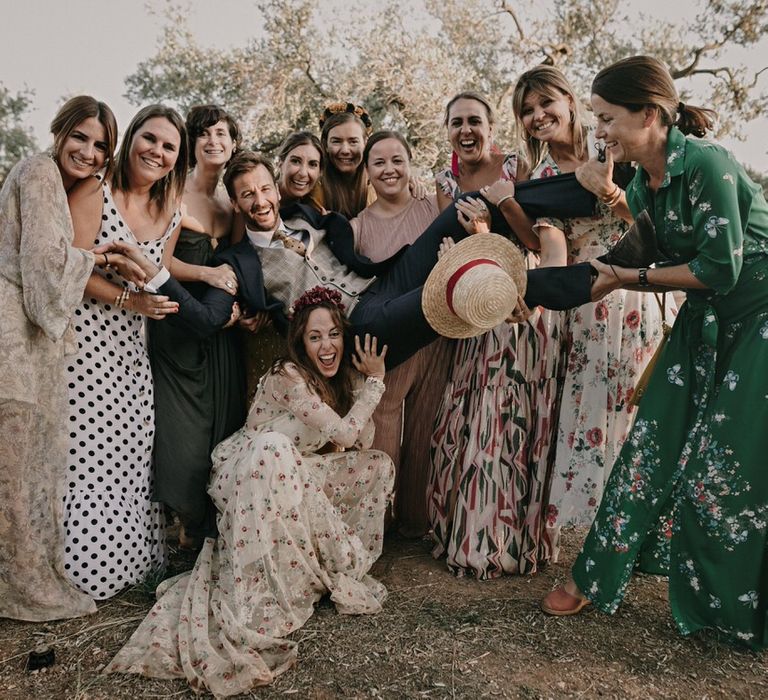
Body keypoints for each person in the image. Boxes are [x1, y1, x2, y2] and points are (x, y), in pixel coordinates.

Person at [541, 56, 768, 652]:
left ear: (650, 114)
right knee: (650, 438)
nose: (601, 131)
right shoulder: (646, 177)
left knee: (723, 465)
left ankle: (728, 600)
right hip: (706, 319)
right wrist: (601, 209)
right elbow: (648, 236)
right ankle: (595, 574)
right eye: (596, 118)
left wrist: (624, 275)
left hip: (757, 322)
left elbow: (720, 267)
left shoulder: (708, 164)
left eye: (608, 118)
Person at [105, 286, 395, 695]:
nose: (326, 345)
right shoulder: (287, 375)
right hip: (248, 470)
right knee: (274, 447)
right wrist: (378, 385)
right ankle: (261, 580)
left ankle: (322, 558)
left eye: (333, 334)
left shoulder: (341, 381)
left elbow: (360, 440)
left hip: (294, 474)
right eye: (315, 337)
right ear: (300, 341)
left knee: (377, 463)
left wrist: (362, 382)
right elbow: (345, 434)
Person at [115, 150, 597, 371]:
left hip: (381, 283)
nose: (260, 200)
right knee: (456, 293)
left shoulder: (310, 216)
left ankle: (587, 193)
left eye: (265, 189)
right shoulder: (240, 263)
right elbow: (203, 319)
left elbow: (356, 234)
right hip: (358, 326)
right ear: (237, 204)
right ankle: (589, 279)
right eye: (248, 195)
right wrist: (156, 271)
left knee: (463, 208)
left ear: (274, 189)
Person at [508, 65, 674, 536]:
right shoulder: (539, 177)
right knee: (599, 409)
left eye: (545, 104)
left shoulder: (611, 144)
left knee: (640, 405)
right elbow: (553, 250)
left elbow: (652, 218)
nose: (538, 116)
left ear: (568, 99)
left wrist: (607, 189)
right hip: (586, 301)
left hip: (638, 288)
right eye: (527, 111)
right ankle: (608, 529)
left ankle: (651, 526)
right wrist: (531, 292)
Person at [0, 96, 144, 620]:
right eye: (80, 137)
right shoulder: (38, 170)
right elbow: (45, 266)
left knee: (31, 464)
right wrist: (106, 258)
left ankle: (30, 575)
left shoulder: (62, 189)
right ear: (60, 131)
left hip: (33, 337)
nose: (88, 151)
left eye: (100, 144)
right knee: (14, 468)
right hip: (12, 335)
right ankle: (24, 588)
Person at [429, 89, 561, 579]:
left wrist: (493, 222)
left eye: (475, 121)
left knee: (510, 413)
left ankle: (509, 537)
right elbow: (451, 244)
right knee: (472, 411)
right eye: (456, 122)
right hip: (472, 305)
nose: (466, 130)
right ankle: (468, 528)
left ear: (490, 127)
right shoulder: (446, 181)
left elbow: (535, 238)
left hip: (520, 299)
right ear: (447, 129)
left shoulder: (517, 168)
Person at [63, 104, 188, 599]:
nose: (156, 152)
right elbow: (70, 264)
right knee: (87, 450)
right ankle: (82, 570)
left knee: (131, 448)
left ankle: (129, 564)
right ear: (131, 138)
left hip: (134, 347)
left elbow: (167, 262)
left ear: (177, 159)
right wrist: (126, 297)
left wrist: (206, 276)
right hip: (85, 339)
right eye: (150, 138)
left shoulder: (173, 210)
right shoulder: (96, 189)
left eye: (168, 146)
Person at [149, 105, 247, 549]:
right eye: (204, 134)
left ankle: (209, 529)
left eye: (221, 133)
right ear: (191, 143)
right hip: (176, 326)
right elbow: (160, 262)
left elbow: (242, 264)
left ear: (233, 142)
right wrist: (207, 275)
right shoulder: (174, 192)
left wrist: (240, 307)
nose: (213, 141)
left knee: (222, 425)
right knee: (184, 433)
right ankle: (183, 517)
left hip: (220, 333)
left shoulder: (233, 203)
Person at [351, 130, 452, 537]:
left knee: (428, 420)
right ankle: (378, 521)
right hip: (389, 344)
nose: (389, 169)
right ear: (368, 173)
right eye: (379, 163)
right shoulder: (358, 227)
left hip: (438, 331)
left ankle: (416, 518)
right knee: (384, 424)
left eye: (397, 160)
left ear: (410, 165)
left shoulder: (432, 207)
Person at [318, 103, 374, 218]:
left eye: (353, 141)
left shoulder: (379, 185)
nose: (345, 150)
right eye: (336, 141)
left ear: (365, 143)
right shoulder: (315, 189)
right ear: (325, 144)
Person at [277, 130, 325, 211]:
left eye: (312, 164)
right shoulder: (260, 198)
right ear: (280, 164)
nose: (303, 173)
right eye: (295, 161)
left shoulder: (316, 208)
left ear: (320, 172)